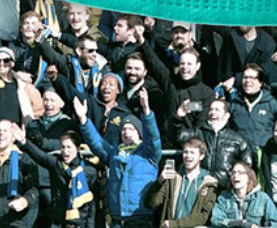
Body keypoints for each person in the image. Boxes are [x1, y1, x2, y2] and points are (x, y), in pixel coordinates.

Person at [76, 88, 161, 228]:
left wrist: (146, 110)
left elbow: (153, 136)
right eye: (123, 129)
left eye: (131, 129)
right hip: (117, 219)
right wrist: (83, 119)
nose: (126, 132)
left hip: (141, 218)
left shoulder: (149, 153)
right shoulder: (114, 153)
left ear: (139, 133)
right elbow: (97, 143)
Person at [144, 137, 220, 228]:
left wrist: (175, 224)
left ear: (201, 156)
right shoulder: (173, 178)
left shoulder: (210, 184)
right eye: (185, 152)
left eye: (192, 152)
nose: (188, 156)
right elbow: (150, 203)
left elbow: (204, 216)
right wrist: (159, 181)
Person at [210, 162, 277, 228]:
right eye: (233, 172)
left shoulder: (262, 198)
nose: (235, 175)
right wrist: (239, 223)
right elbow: (216, 220)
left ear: (248, 178)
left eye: (240, 172)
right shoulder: (223, 198)